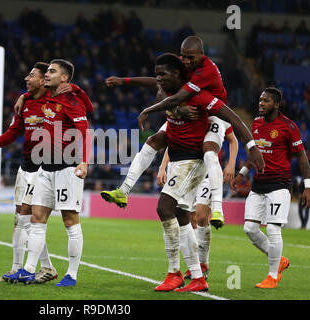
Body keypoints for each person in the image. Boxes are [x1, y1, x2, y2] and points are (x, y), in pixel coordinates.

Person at [101, 36, 264, 228]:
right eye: (183, 56)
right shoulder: (188, 66)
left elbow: (178, 97)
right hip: (192, 110)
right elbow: (160, 82)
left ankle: (218, 208)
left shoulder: (205, 71)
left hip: (214, 114)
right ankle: (124, 189)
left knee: (209, 151)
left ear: (201, 55)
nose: (185, 61)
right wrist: (124, 80)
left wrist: (251, 147)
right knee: (154, 140)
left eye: (190, 57)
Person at [7, 59, 90, 287]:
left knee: (70, 221)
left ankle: (72, 274)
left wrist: (84, 161)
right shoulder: (48, 98)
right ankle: (28, 270)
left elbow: (85, 129)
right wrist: (23, 96)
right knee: (36, 219)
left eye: (52, 72)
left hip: (67, 168)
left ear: (64, 78)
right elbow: (34, 94)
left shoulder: (71, 100)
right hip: (44, 167)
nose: (47, 74)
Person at [0, 62, 58, 284]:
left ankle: (21, 269)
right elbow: (12, 134)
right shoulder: (27, 104)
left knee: (28, 217)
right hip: (26, 166)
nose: (26, 79)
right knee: (21, 218)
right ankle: (43, 267)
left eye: (31, 76)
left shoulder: (55, 101)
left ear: (43, 80)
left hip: (44, 167)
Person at [231, 87, 310, 289]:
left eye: (266, 101)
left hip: (279, 185)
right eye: (260, 100)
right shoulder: (256, 123)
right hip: (258, 185)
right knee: (249, 228)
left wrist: (307, 187)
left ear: (276, 104)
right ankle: (280, 260)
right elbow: (255, 155)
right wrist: (242, 174)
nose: (261, 104)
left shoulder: (288, 126)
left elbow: (301, 157)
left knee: (273, 229)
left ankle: (272, 276)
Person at [157, 116, 238, 279]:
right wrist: (163, 166)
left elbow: (233, 140)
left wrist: (231, 164)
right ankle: (195, 267)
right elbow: (173, 143)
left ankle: (203, 264)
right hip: (189, 172)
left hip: (209, 173)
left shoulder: (218, 116)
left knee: (201, 216)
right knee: (189, 218)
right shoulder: (189, 115)